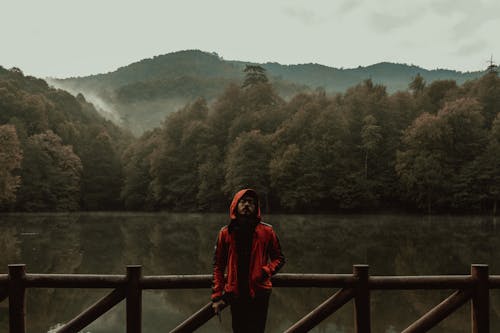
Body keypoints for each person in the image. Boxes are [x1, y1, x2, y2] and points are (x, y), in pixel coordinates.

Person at [211, 188, 285, 333]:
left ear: (256, 207)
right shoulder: (226, 233)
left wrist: (265, 271)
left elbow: (279, 258)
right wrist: (216, 296)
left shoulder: (267, 231)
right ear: (235, 205)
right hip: (235, 293)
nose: (246, 205)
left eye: (250, 202)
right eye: (242, 202)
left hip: (259, 292)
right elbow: (218, 266)